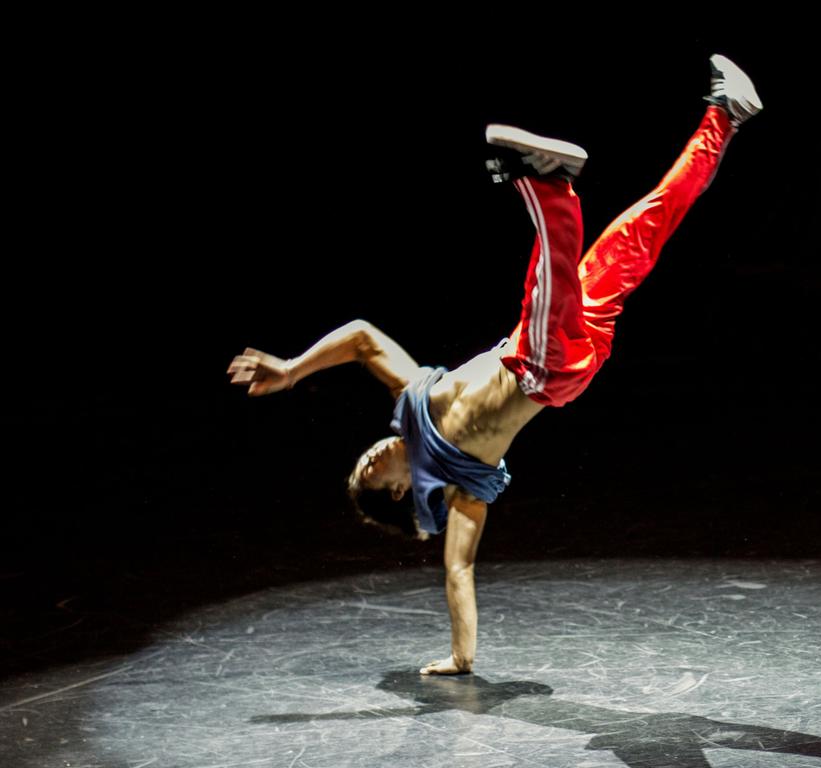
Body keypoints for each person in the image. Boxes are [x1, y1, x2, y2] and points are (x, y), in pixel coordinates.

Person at [228, 54, 762, 675]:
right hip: (545, 368)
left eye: (363, 460)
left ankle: (724, 116)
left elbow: (365, 339)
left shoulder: (413, 402)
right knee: (546, 277)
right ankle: (547, 183)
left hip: (548, 345)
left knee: (645, 225)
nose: (370, 458)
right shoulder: (462, 488)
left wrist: (292, 369)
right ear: (402, 491)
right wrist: (461, 657)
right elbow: (459, 569)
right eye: (371, 477)